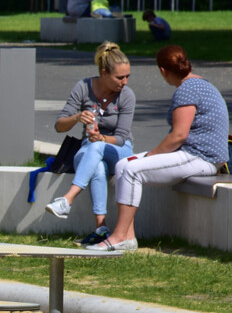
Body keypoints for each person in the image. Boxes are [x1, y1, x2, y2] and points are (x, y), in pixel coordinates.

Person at [88, 45, 230, 252]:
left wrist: (150, 156)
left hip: (201, 158)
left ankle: (118, 236)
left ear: (163, 71)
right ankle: (128, 236)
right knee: (123, 165)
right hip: (197, 155)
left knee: (131, 169)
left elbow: (178, 135)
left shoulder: (187, 89)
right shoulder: (201, 84)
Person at [45, 42, 135, 246]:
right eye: (120, 77)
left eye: (127, 76)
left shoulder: (126, 95)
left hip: (119, 150)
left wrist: (102, 139)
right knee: (98, 165)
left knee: (97, 148)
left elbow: (121, 137)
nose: (125, 82)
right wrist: (77, 117)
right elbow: (59, 126)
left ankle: (67, 199)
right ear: (104, 73)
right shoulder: (83, 87)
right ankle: (101, 229)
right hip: (88, 150)